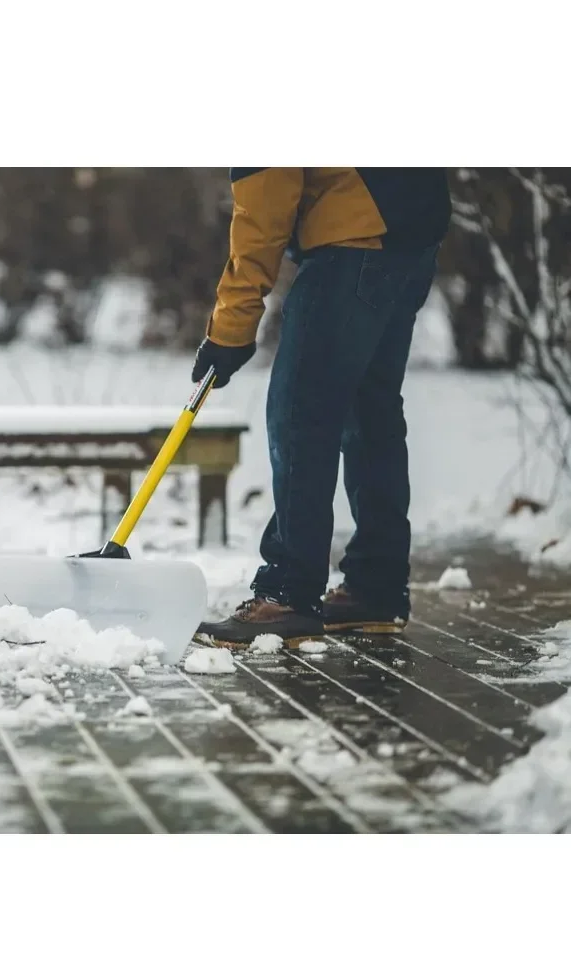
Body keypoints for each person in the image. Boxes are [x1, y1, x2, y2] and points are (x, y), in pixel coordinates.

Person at [192, 168, 452, 648]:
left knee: (300, 416)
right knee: (370, 414)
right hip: (410, 238)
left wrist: (230, 329)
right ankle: (375, 587)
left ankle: (288, 593)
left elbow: (263, 212)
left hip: (351, 243)